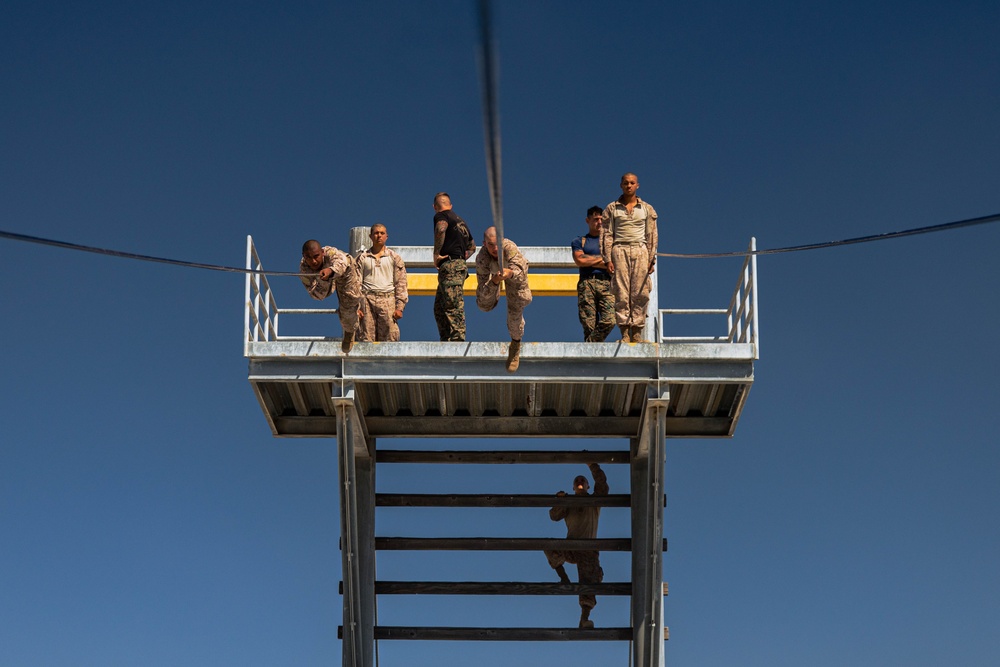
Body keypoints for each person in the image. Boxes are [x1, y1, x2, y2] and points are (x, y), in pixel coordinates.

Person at [545, 463, 608, 629]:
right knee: (547, 545)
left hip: (588, 549)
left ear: (588, 486)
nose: (580, 481)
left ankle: (584, 618)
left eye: (583, 480)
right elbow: (554, 515)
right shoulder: (570, 503)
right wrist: (561, 501)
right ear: (573, 487)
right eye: (577, 481)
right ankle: (563, 578)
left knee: (589, 583)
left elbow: (603, 486)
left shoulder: (594, 502)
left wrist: (592, 465)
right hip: (571, 546)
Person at [601, 172, 658, 343]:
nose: (629, 186)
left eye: (632, 183)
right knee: (621, 291)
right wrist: (607, 259)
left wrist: (651, 258)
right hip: (620, 250)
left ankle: (637, 332)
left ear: (637, 185)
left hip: (640, 250)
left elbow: (651, 234)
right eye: (626, 183)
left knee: (641, 291)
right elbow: (606, 234)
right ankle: (625, 332)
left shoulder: (646, 208)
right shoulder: (612, 208)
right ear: (621, 185)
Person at [476, 227, 532, 372]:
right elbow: (482, 287)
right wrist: (494, 282)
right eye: (490, 245)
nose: (495, 248)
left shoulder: (510, 248)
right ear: (484, 244)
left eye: (497, 244)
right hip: (494, 276)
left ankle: (515, 344)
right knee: (483, 302)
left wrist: (510, 273)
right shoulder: (482, 258)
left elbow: (521, 272)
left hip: (513, 274)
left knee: (517, 307)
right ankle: (495, 287)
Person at [299, 239, 362, 353]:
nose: (313, 261)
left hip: (345, 272)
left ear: (322, 252)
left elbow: (341, 263)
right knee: (320, 294)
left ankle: (349, 330)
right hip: (324, 281)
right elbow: (317, 295)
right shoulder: (304, 269)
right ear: (304, 256)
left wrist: (330, 271)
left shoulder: (331, 253)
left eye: (316, 256)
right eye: (309, 257)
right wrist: (324, 280)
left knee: (349, 301)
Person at [432, 192, 476, 341]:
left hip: (451, 265)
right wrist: (461, 258)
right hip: (455, 265)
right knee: (439, 307)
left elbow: (441, 229)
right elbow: (472, 246)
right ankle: (446, 339)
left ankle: (457, 339)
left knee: (452, 303)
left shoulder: (441, 215)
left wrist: (437, 254)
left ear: (435, 207)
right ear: (450, 205)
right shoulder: (460, 221)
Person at [355, 223, 408, 342]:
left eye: (382, 233)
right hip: (367, 300)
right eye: (376, 233)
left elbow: (401, 283)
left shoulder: (394, 257)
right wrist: (356, 307)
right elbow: (356, 284)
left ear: (386, 236)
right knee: (365, 337)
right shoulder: (362, 258)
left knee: (390, 336)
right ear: (371, 236)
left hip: (387, 299)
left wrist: (400, 307)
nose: (379, 236)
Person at [572, 206, 615, 342]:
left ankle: (590, 344)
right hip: (587, 283)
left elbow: (615, 262)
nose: (599, 222)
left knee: (610, 319)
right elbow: (579, 259)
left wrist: (590, 260)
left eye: (602, 219)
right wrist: (604, 260)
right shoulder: (580, 241)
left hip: (606, 283)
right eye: (596, 219)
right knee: (588, 324)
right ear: (588, 220)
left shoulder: (612, 242)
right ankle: (592, 354)